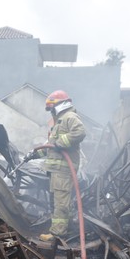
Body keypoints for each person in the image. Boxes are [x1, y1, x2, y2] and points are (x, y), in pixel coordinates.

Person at [33, 90, 86, 242]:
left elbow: (80, 133)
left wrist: (60, 143)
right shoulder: (59, 122)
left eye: (51, 108)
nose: (50, 111)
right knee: (59, 201)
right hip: (56, 171)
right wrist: (37, 153)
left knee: (61, 202)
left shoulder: (70, 117)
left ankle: (57, 234)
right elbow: (52, 146)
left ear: (61, 105)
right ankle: (65, 229)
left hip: (63, 170)